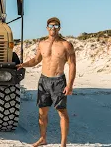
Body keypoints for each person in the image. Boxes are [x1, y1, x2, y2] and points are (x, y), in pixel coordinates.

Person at [16, 17, 76, 147]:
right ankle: (43, 139)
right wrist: (23, 64)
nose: (53, 28)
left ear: (59, 28)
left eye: (55, 26)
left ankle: (63, 144)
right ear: (47, 27)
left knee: (62, 112)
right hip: (44, 80)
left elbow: (72, 65)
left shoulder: (66, 45)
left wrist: (70, 85)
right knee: (42, 113)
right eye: (50, 25)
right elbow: (36, 60)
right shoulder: (42, 44)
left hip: (58, 81)